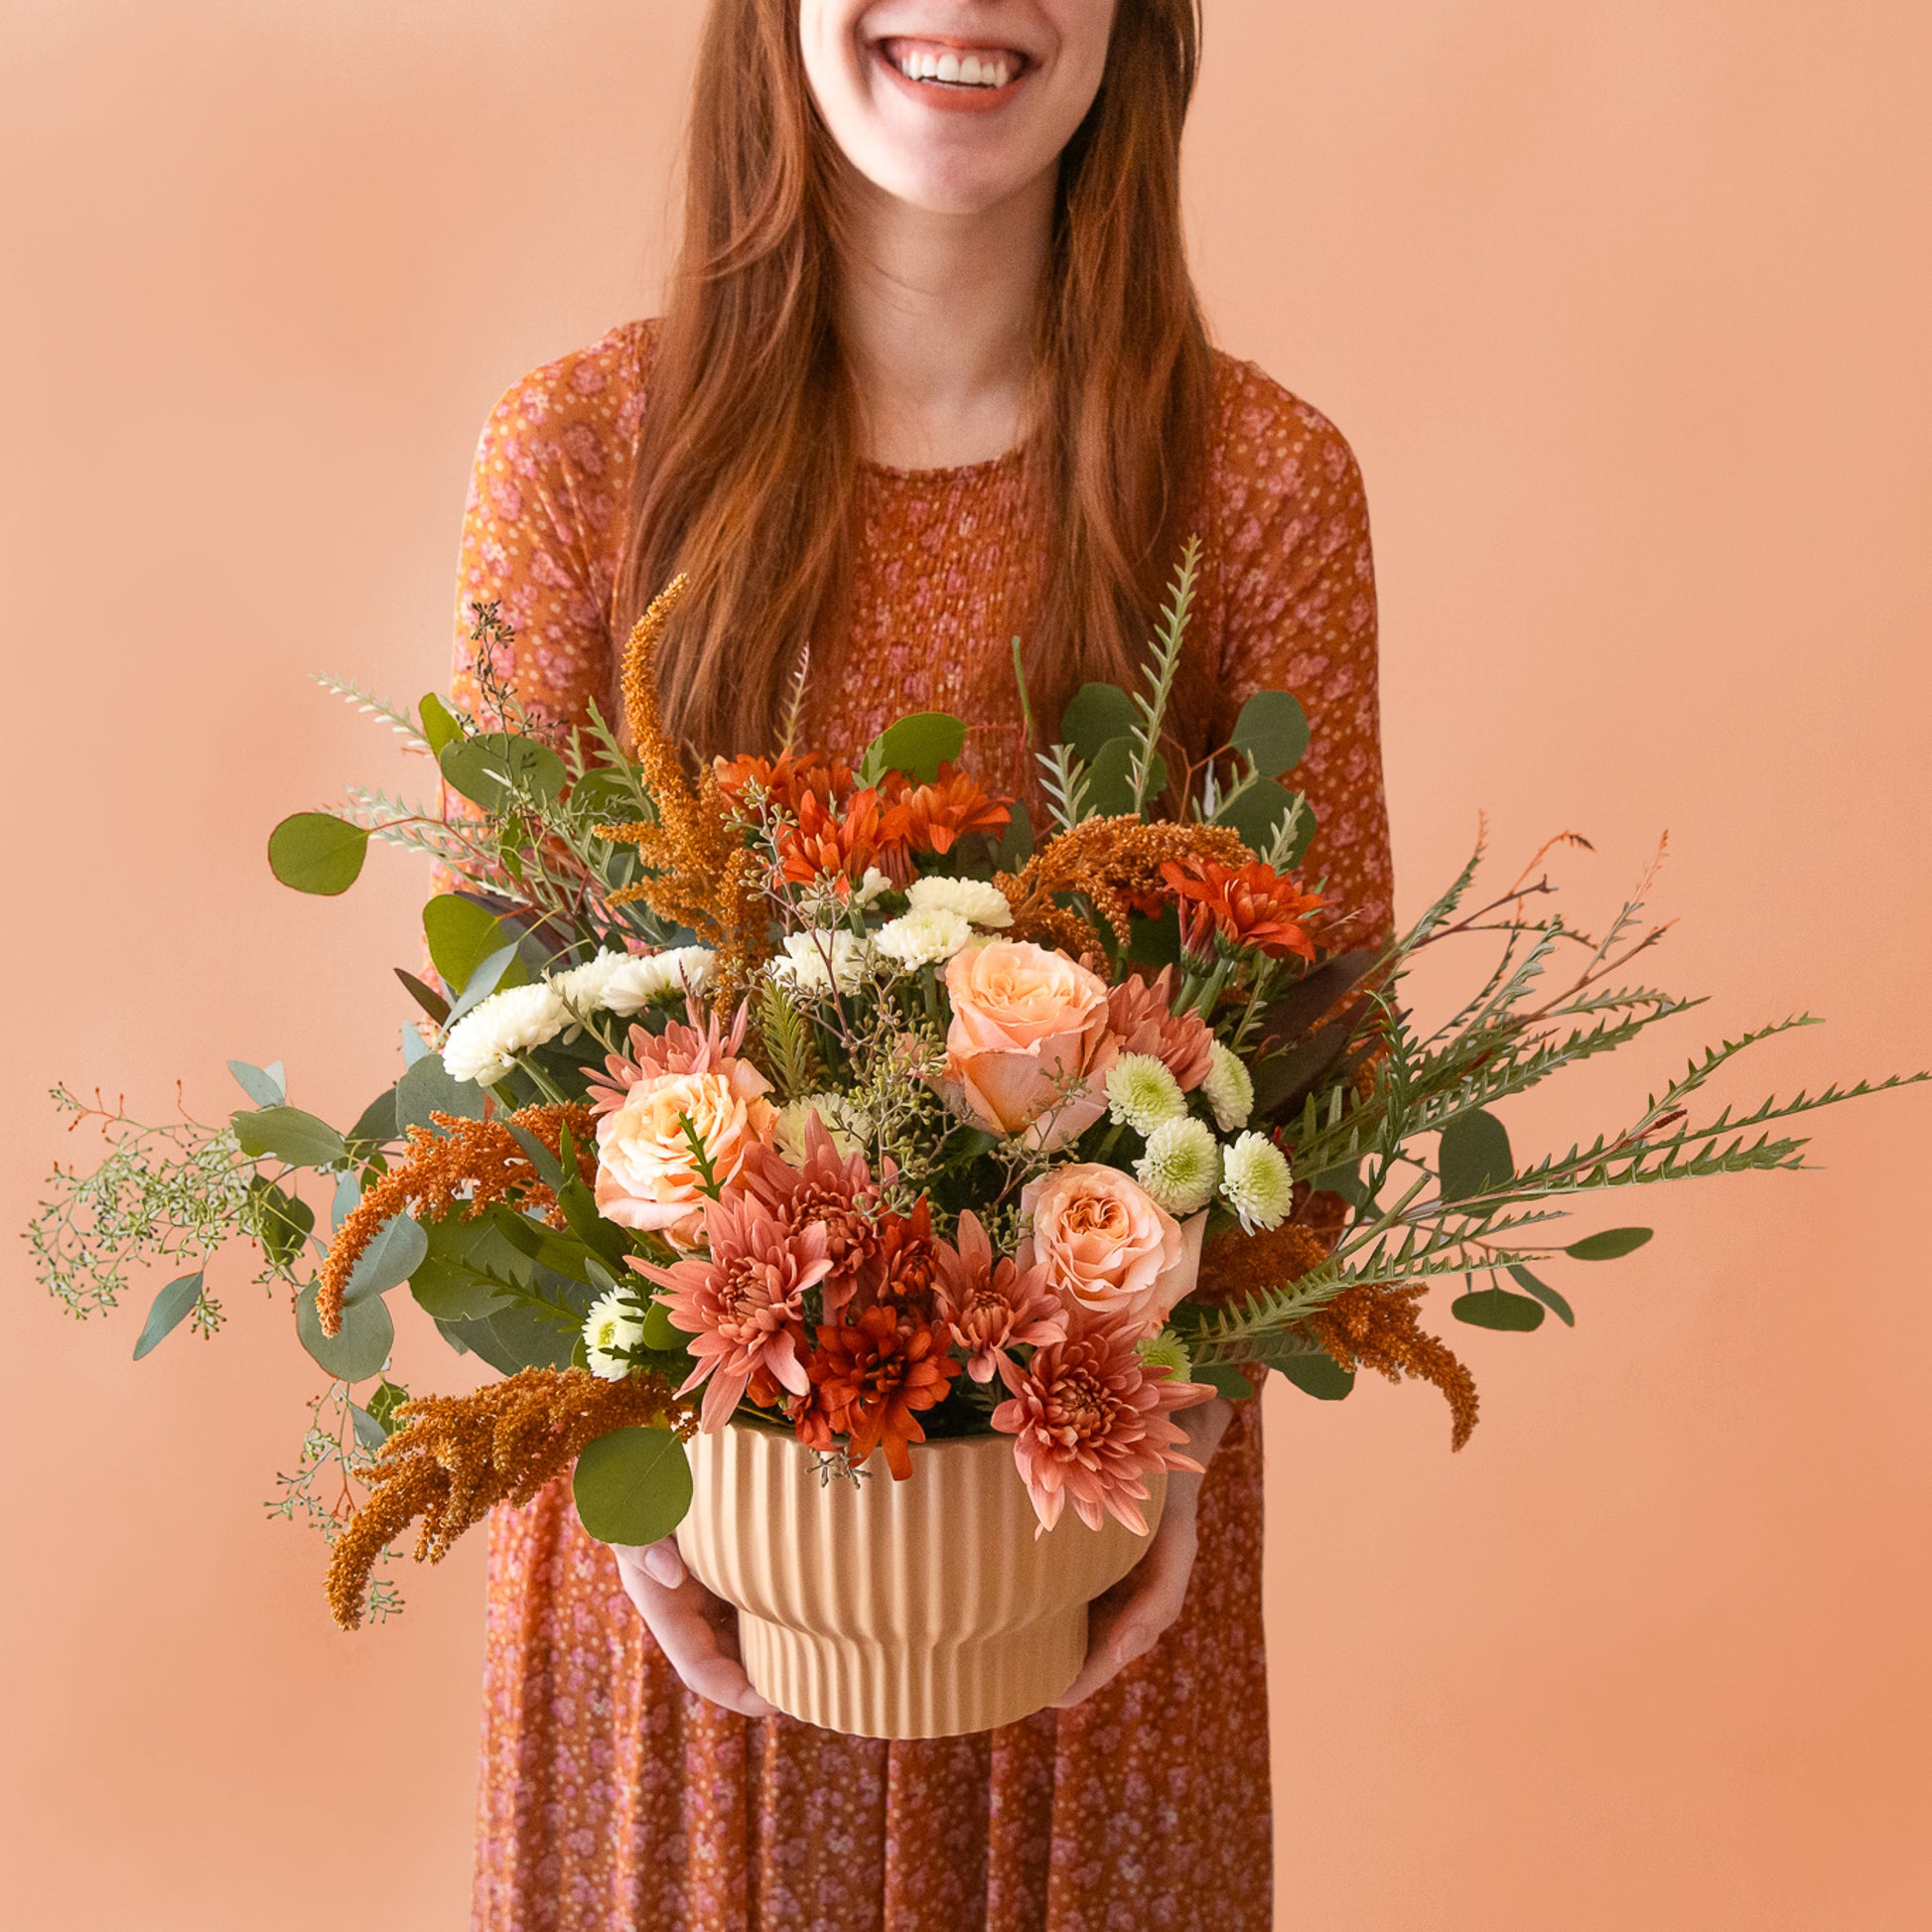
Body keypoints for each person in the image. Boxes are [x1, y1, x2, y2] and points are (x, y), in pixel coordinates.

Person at [451, 3, 1392, 1925]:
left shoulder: (1259, 482)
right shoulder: (580, 454)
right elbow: (509, 1025)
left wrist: (1175, 1441)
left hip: (1088, 1527)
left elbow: (1323, 1042)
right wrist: (646, 1473)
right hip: (681, 1544)